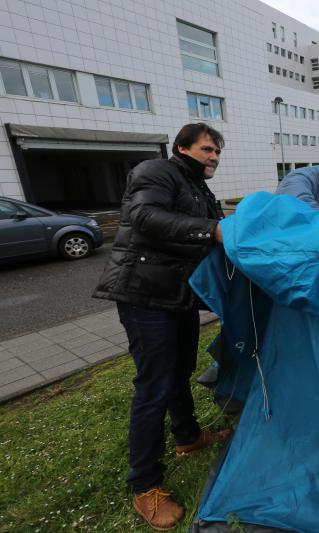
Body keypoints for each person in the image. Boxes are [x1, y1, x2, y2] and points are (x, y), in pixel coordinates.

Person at [93, 123, 232, 530]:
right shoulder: (156, 171)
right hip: (143, 293)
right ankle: (145, 485)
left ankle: (187, 437)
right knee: (154, 385)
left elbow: (219, 233)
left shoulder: (199, 189)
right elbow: (144, 216)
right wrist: (211, 229)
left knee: (180, 372)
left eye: (217, 151)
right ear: (182, 148)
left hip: (177, 294)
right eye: (207, 149)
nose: (214, 157)